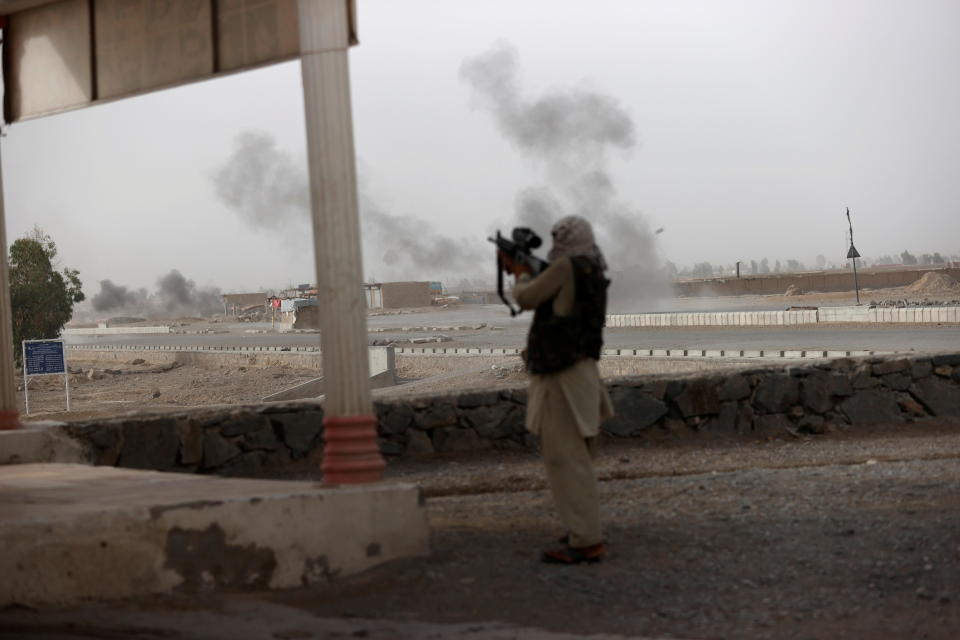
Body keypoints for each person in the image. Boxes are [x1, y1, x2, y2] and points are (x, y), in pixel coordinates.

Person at [500, 215, 614, 564]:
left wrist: (520, 271)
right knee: (577, 458)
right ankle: (581, 529)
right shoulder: (592, 265)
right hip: (582, 371)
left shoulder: (566, 266)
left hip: (563, 376)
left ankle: (585, 540)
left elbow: (527, 297)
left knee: (565, 460)